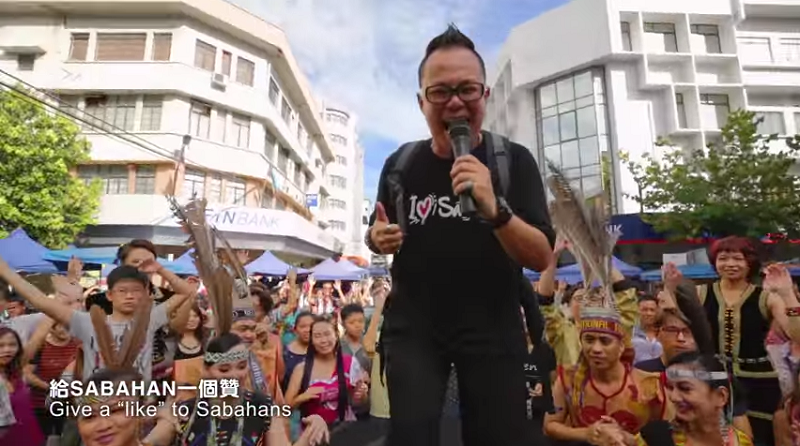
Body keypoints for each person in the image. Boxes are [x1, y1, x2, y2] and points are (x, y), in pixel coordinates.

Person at [365, 24, 554, 446]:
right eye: (440, 92)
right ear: (421, 101)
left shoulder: (513, 162)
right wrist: (376, 239)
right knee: (411, 435)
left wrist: (495, 208)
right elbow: (376, 229)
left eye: (467, 89)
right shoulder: (400, 164)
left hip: (493, 326)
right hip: (414, 327)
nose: (454, 102)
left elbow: (541, 256)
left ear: (485, 95)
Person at [664, 237, 800, 445]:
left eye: (737, 258)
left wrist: (787, 293)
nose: (730, 264)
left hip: (760, 381)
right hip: (711, 378)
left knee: (760, 436)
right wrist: (671, 289)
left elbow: (795, 335)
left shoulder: (766, 297)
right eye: (723, 258)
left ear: (749, 263)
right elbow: (676, 325)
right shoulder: (701, 293)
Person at [603, 352, 753, 446]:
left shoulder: (741, 442)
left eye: (685, 388)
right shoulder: (656, 438)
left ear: (720, 397)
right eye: (670, 388)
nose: (673, 397)